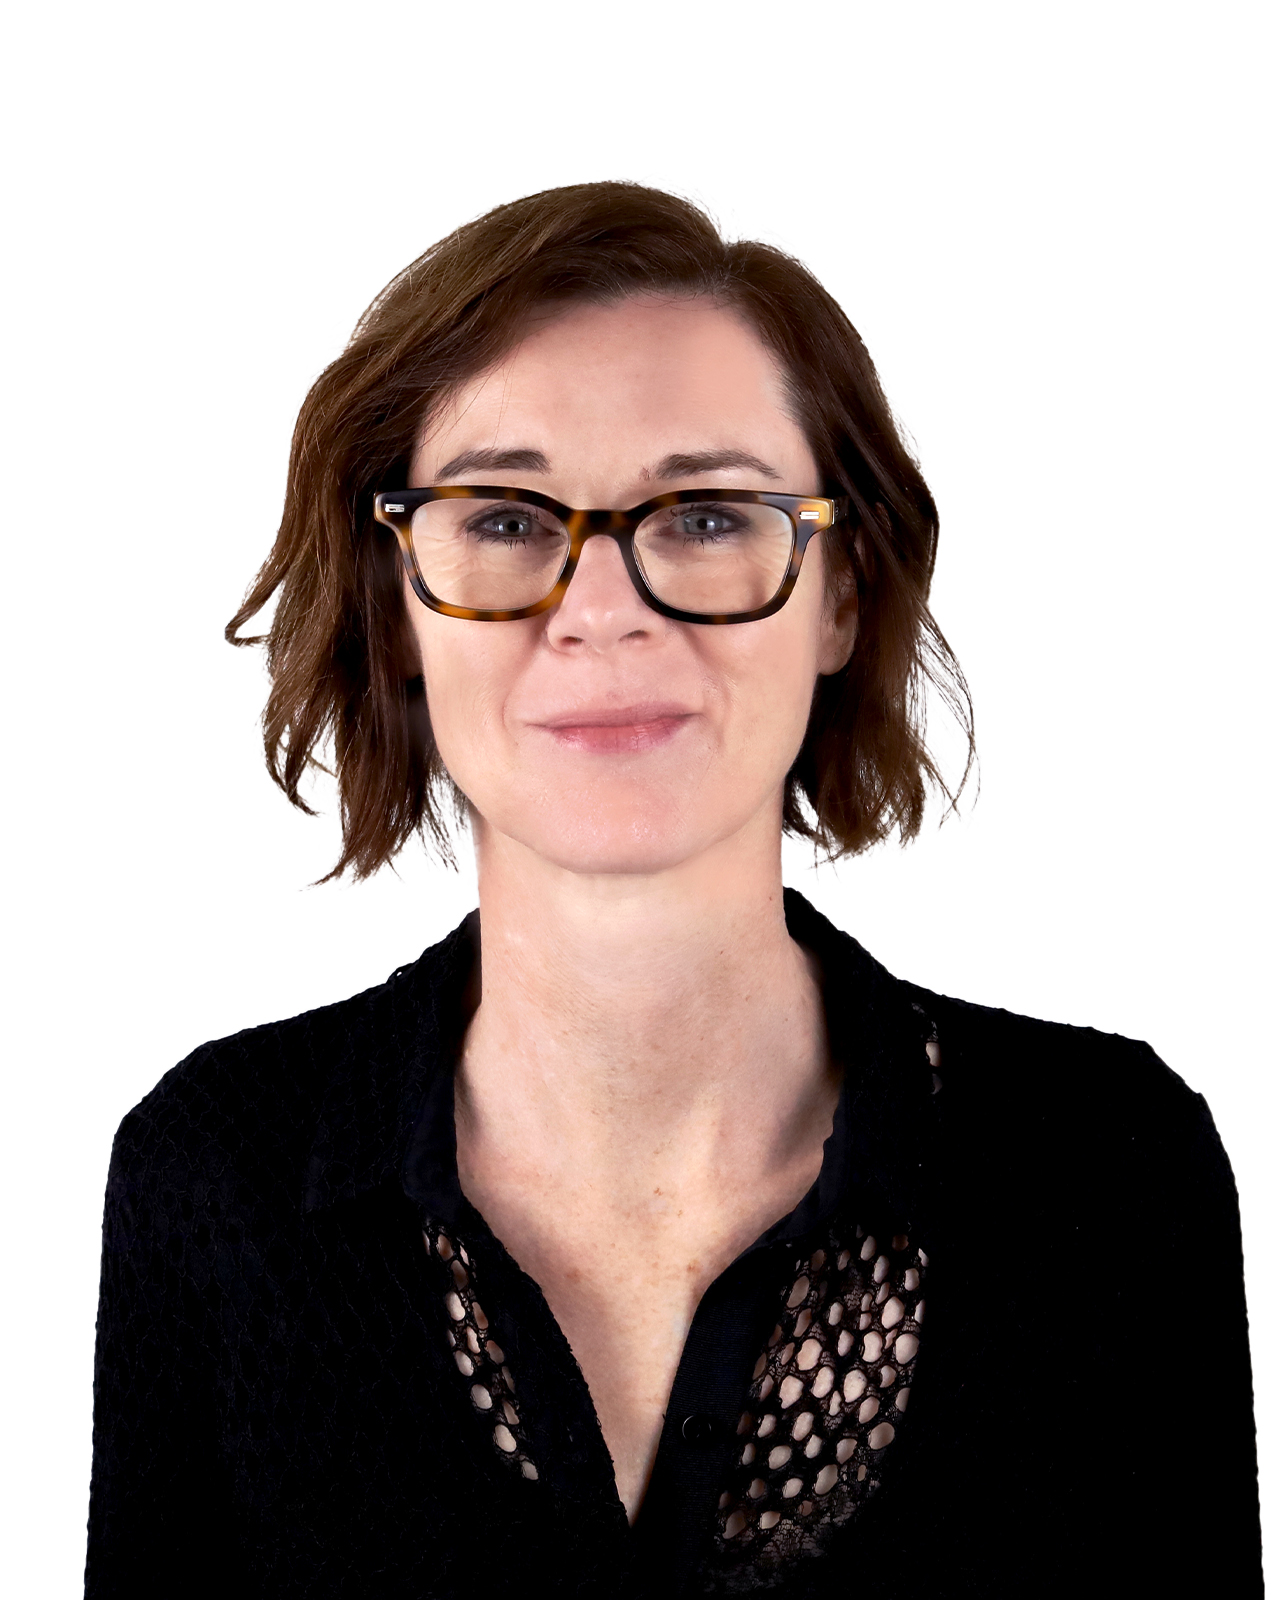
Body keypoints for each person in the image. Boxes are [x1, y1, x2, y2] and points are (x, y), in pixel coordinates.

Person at [84, 182, 1261, 1598]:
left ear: (841, 594)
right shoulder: (217, 1176)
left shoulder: (1113, 1172)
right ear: (396, 602)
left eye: (705, 516)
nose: (604, 608)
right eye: (503, 519)